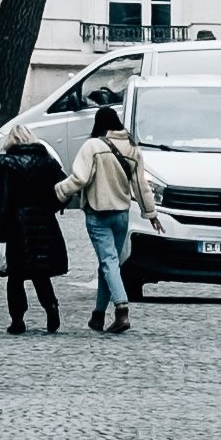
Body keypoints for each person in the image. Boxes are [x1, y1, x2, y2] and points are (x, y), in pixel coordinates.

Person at [71, 104, 153, 333]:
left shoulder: (92, 146)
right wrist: (151, 213)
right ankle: (98, 314)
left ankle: (121, 310)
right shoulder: (132, 148)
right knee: (109, 265)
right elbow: (140, 185)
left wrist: (57, 192)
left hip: (98, 214)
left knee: (108, 264)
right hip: (121, 215)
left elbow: (79, 179)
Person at [0, 128, 71, 335]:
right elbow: (66, 188)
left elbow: (3, 201)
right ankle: (51, 307)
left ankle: (17, 320)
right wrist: (52, 206)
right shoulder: (47, 161)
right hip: (44, 221)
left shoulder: (9, 163)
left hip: (17, 225)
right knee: (40, 273)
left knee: (15, 276)